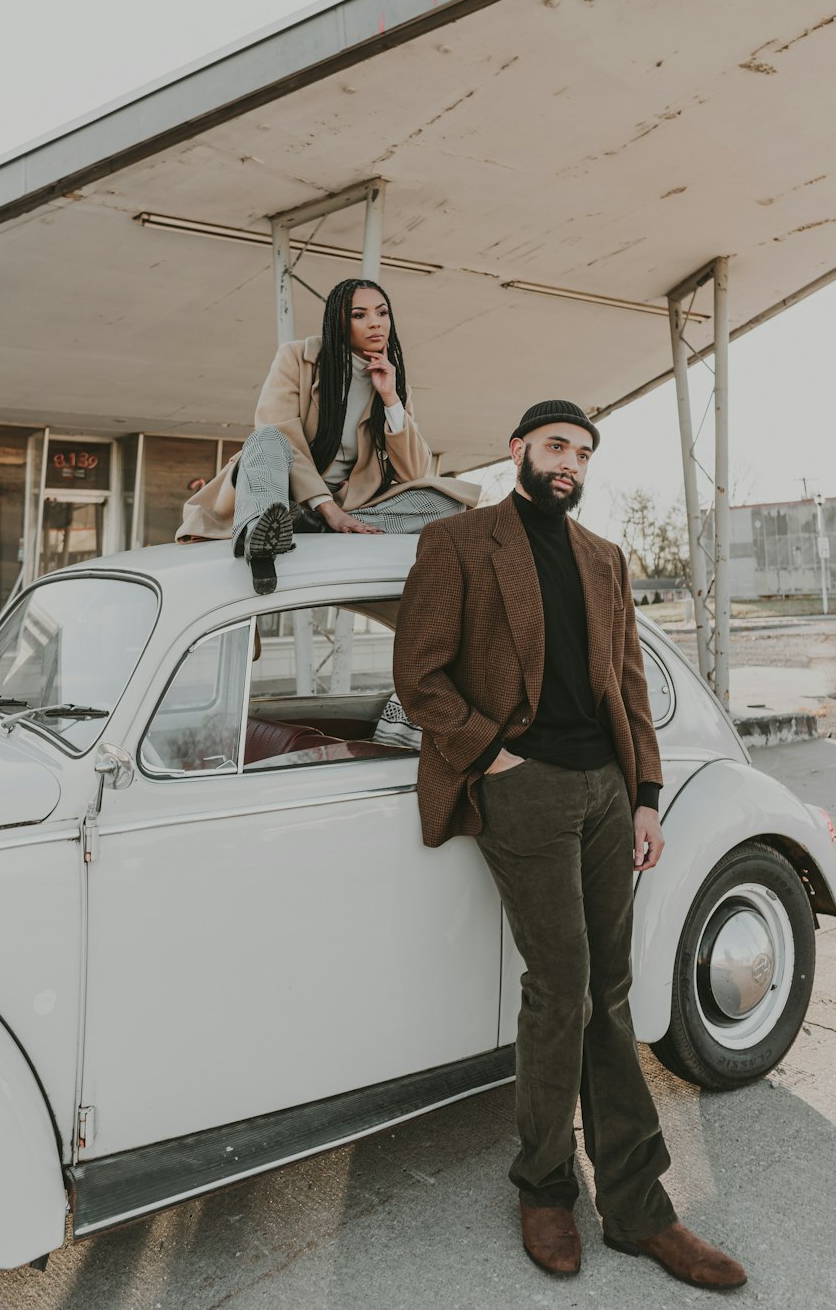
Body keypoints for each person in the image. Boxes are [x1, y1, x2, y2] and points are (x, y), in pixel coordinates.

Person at [392, 399, 746, 1291]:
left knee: (612, 991)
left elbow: (627, 683)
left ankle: (637, 1206)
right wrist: (492, 753)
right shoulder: (461, 544)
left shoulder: (604, 558)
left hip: (603, 794)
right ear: (517, 448)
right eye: (556, 446)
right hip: (522, 791)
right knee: (563, 989)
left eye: (582, 453)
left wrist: (648, 796)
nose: (569, 464)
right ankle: (545, 1185)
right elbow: (417, 674)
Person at [176, 279, 478, 592]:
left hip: (348, 505)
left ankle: (313, 527)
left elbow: (414, 472)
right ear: (339, 321)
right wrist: (328, 510)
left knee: (450, 500)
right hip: (284, 490)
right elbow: (279, 434)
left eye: (382, 312)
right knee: (266, 440)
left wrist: (391, 399)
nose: (375, 322)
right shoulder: (296, 357)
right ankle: (261, 537)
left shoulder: (393, 381)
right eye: (359, 315)